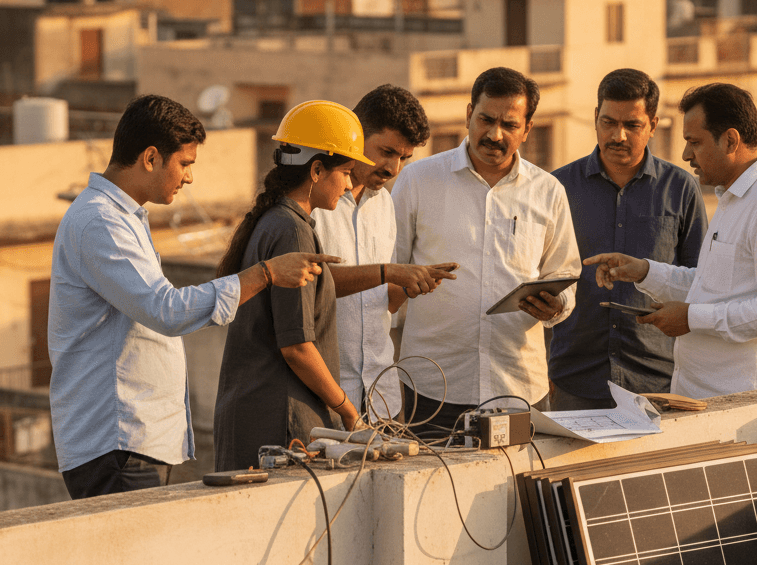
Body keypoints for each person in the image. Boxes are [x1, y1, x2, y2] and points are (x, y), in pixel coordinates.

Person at [48, 94, 338, 500]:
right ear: (151, 158)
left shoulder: (121, 217)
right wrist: (266, 273)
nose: (188, 178)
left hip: (133, 444)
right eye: (184, 164)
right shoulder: (101, 221)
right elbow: (165, 310)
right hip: (115, 444)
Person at [212, 101, 455, 469]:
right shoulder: (292, 229)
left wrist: (408, 282)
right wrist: (345, 408)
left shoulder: (292, 221)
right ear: (316, 170)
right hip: (286, 410)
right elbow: (296, 344)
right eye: (345, 170)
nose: (348, 180)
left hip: (329, 400)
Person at [585, 82, 757, 399]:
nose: (685, 154)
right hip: (704, 396)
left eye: (694, 142)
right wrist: (643, 272)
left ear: (730, 140)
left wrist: (692, 318)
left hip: (745, 401)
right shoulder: (733, 198)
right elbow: (711, 285)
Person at [392, 66, 581, 437]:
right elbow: (388, 275)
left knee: (514, 492)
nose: (495, 134)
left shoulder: (549, 192)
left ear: (527, 129)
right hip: (432, 385)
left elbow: (566, 277)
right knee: (428, 491)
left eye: (509, 125)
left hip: (519, 386)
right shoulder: (418, 180)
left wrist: (556, 306)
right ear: (468, 115)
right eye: (486, 119)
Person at [548, 69, 708, 408]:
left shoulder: (681, 188)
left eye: (632, 125)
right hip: (574, 379)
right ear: (595, 118)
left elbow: (702, 282)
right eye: (608, 122)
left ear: (653, 124)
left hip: (658, 379)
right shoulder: (556, 188)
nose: (618, 135)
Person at [312, 84, 457, 421]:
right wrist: (389, 271)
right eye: (386, 151)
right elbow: (310, 286)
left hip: (380, 395)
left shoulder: (385, 206)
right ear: (356, 136)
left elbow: (382, 305)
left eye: (403, 158)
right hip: (326, 396)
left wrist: (408, 286)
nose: (394, 169)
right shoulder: (313, 201)